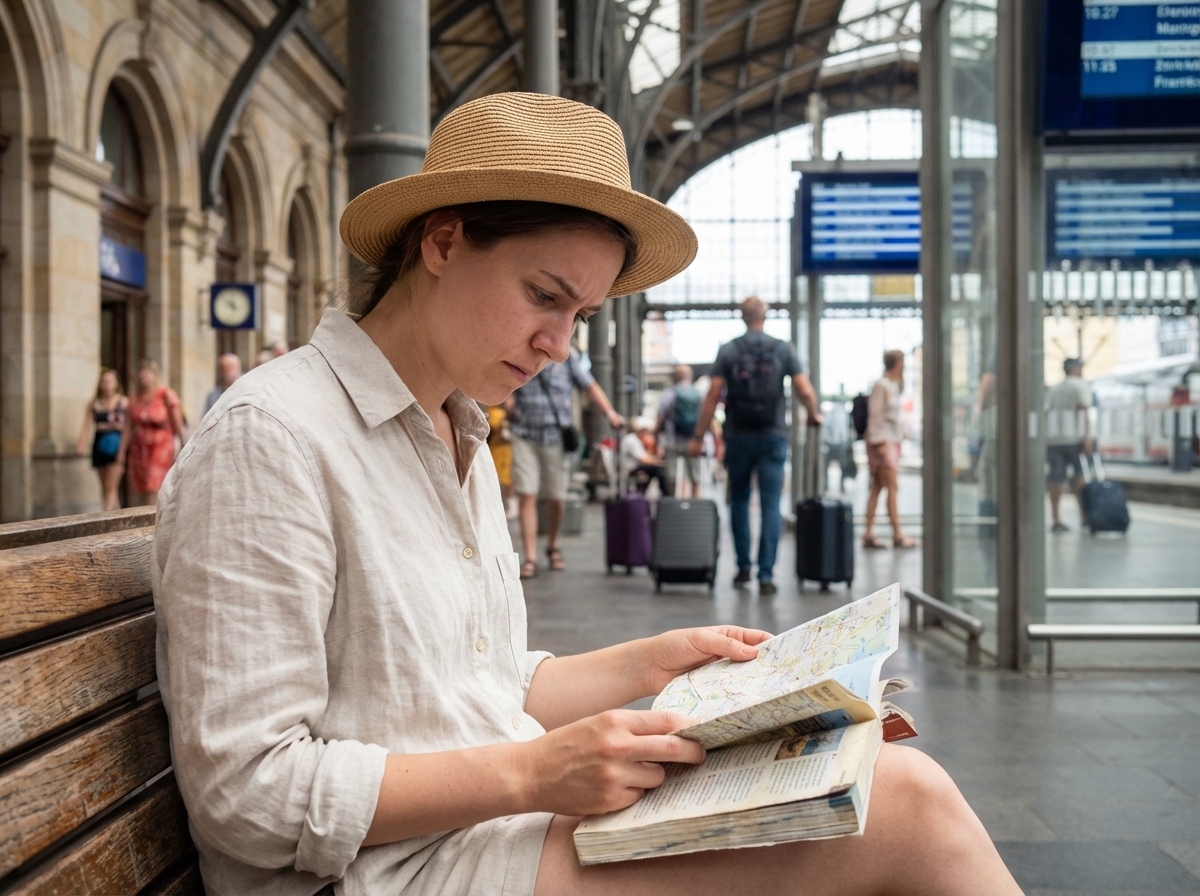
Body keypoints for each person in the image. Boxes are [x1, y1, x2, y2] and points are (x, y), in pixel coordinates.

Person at [152, 93, 1019, 896]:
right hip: (388, 871)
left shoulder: (455, 429)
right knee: (910, 810)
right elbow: (245, 793)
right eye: (544, 296)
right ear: (444, 241)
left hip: (486, 826)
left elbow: (482, 686)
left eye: (583, 316)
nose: (559, 344)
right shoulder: (274, 437)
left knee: (872, 783)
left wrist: (655, 664)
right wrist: (532, 775)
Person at [689, 296, 822, 596]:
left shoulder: (729, 349)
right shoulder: (783, 348)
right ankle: (766, 574)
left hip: (738, 435)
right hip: (773, 434)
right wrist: (814, 414)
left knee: (738, 500)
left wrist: (699, 436)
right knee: (771, 503)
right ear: (765, 315)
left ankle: (742, 568)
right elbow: (803, 388)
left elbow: (712, 394)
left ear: (742, 316)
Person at [509, 345, 623, 579]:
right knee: (527, 494)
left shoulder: (568, 356)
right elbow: (507, 385)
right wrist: (507, 402)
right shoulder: (520, 347)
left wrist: (610, 413)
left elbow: (589, 385)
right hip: (524, 434)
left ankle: (552, 545)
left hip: (555, 438)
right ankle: (530, 557)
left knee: (556, 498)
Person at [863, 350, 916, 549]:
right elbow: (875, 416)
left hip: (888, 443)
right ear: (897, 363)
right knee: (892, 487)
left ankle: (869, 533)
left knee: (877, 487)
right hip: (883, 445)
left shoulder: (890, 386)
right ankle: (897, 533)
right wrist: (881, 445)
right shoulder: (882, 386)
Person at [118, 359, 184, 507]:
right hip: (139, 450)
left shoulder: (166, 395)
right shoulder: (134, 399)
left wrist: (184, 444)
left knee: (155, 486)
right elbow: (128, 427)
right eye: (141, 373)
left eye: (147, 373)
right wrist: (121, 451)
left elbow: (177, 422)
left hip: (160, 448)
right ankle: (141, 522)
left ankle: (152, 522)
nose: (144, 376)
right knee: (138, 488)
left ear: (155, 375)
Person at [1045, 357, 1093, 532]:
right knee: (1079, 476)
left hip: (1054, 439)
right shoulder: (1080, 386)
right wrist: (1086, 437)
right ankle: (1084, 516)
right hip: (1074, 439)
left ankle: (1056, 519)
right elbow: (1082, 409)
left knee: (1055, 477)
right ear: (1076, 369)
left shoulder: (1053, 389)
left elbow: (1046, 411)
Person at [75, 368, 128, 511]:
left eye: (110, 381)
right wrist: (81, 445)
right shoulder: (94, 404)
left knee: (111, 486)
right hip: (99, 446)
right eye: (104, 381)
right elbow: (86, 426)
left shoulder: (123, 402)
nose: (106, 384)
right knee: (106, 487)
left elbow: (129, 426)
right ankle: (117, 519)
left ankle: (106, 518)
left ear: (116, 383)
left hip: (117, 446)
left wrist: (115, 427)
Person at [655, 364, 704, 497]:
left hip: (672, 440)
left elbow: (660, 419)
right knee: (695, 476)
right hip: (693, 440)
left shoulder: (668, 394)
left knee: (672, 476)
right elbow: (705, 418)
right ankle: (696, 505)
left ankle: (675, 505)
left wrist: (656, 438)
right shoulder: (699, 394)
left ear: (674, 377)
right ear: (690, 376)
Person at [620, 417, 668, 495]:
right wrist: (658, 462)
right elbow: (643, 460)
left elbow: (646, 457)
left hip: (636, 467)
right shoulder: (632, 440)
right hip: (630, 468)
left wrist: (657, 454)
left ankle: (642, 492)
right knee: (657, 470)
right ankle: (666, 494)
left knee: (655, 471)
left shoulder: (637, 440)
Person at [203, 353, 243, 417]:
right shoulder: (213, 395)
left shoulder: (246, 392)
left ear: (238, 369)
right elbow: (205, 418)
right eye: (223, 368)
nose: (228, 372)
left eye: (231, 367)